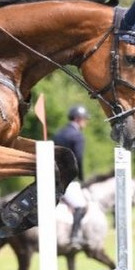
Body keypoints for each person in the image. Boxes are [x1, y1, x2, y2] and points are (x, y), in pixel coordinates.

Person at [53, 105, 91, 248]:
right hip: (68, 179)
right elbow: (78, 158)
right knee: (81, 206)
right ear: (78, 119)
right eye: (84, 119)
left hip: (53, 176)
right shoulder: (78, 136)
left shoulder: (58, 134)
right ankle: (74, 237)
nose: (86, 122)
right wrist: (81, 176)